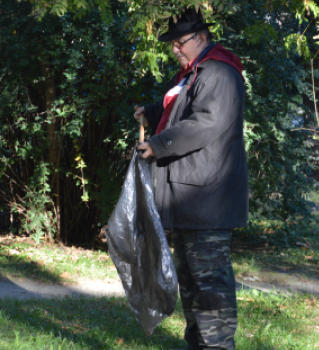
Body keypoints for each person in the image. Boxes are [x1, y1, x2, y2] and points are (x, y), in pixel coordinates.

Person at [134, 8, 248, 350]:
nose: (175, 50)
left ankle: (217, 346)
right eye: (173, 45)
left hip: (207, 198)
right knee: (192, 282)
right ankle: (198, 345)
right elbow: (180, 110)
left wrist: (157, 144)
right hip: (189, 197)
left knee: (210, 283)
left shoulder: (220, 72)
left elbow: (207, 123)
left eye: (180, 43)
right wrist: (152, 112)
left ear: (201, 38)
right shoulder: (195, 73)